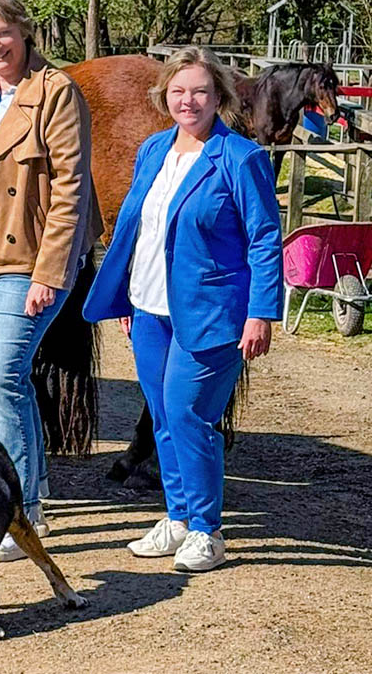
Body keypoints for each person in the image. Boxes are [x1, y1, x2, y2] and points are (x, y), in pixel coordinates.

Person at [84, 45, 283, 572]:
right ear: (164, 96)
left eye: (199, 91)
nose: (188, 101)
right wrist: (127, 292)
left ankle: (206, 530)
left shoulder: (241, 158)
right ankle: (177, 518)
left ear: (219, 97)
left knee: (188, 414)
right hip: (149, 309)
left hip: (213, 312)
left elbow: (265, 239)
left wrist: (261, 312)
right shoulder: (153, 150)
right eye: (178, 91)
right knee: (163, 417)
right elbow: (138, 228)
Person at [0, 0, 103, 562]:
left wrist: (50, 271)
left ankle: (17, 510)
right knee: (4, 377)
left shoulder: (56, 92)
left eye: (1, 34)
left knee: (2, 377)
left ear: (23, 30)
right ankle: (31, 494)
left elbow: (71, 189)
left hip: (30, 254)